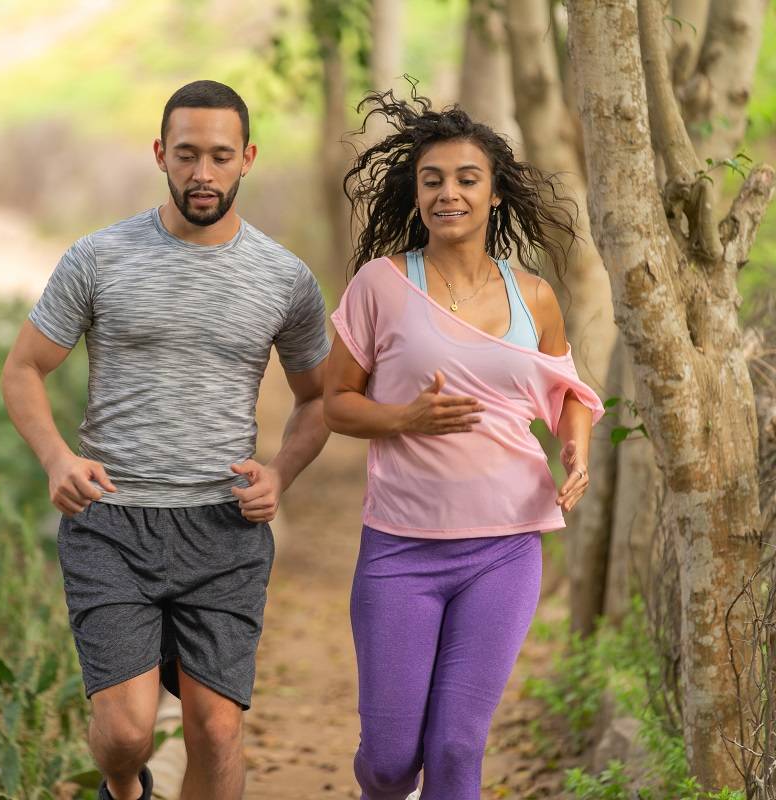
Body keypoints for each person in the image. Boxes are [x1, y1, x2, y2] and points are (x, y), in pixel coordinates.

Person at [1, 79, 331, 800]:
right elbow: (23, 368)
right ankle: (125, 787)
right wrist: (57, 458)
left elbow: (317, 400)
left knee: (217, 729)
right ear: (161, 154)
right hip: (111, 520)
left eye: (219, 156)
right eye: (187, 155)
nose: (202, 174)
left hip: (224, 525)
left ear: (248, 157)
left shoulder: (284, 279)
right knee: (126, 732)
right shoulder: (98, 258)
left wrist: (281, 475)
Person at [323, 88, 605, 800]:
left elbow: (567, 392)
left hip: (505, 549)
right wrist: (402, 420)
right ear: (416, 195)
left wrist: (576, 445)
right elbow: (336, 403)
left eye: (467, 179)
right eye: (433, 180)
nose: (449, 193)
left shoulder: (533, 296)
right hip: (400, 549)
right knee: (390, 762)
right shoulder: (380, 286)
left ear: (497, 195)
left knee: (455, 749)